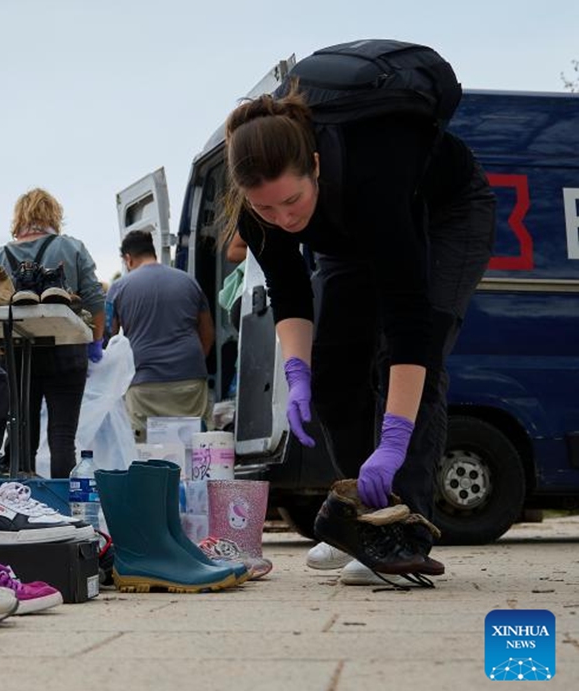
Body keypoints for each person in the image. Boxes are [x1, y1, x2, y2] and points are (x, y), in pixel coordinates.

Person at [221, 80, 495, 568]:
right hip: (345, 232)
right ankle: (365, 518)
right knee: (333, 372)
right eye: (266, 207)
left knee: (410, 357)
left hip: (446, 213)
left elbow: (410, 318)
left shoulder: (372, 175)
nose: (283, 219)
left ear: (316, 166)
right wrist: (298, 374)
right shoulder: (258, 213)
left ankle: (403, 528)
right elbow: (290, 292)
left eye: (292, 201)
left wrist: (393, 441)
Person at [0, 188, 105, 478]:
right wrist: (95, 341)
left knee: (21, 436)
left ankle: (22, 503)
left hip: (15, 355)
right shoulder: (73, 247)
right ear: (54, 215)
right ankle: (65, 506)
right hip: (67, 348)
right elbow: (94, 299)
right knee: (63, 438)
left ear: (19, 217)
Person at [108, 230, 213, 439]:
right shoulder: (189, 282)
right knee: (194, 445)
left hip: (143, 382)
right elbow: (208, 333)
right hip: (189, 378)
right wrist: (190, 363)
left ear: (128, 259)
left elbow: (108, 338)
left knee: (144, 450)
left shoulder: (119, 288)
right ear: (152, 252)